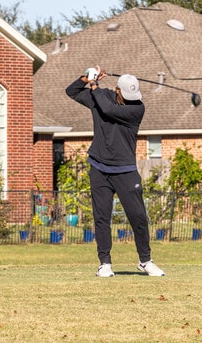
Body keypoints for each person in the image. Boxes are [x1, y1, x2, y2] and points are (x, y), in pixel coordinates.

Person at [66, 66, 165, 278]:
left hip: (125, 170)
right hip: (99, 167)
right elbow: (71, 92)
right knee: (101, 217)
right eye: (126, 95)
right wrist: (85, 78)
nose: (130, 99)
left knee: (138, 216)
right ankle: (105, 263)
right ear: (117, 90)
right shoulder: (101, 95)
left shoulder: (136, 109)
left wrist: (94, 85)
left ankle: (145, 261)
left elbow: (108, 110)